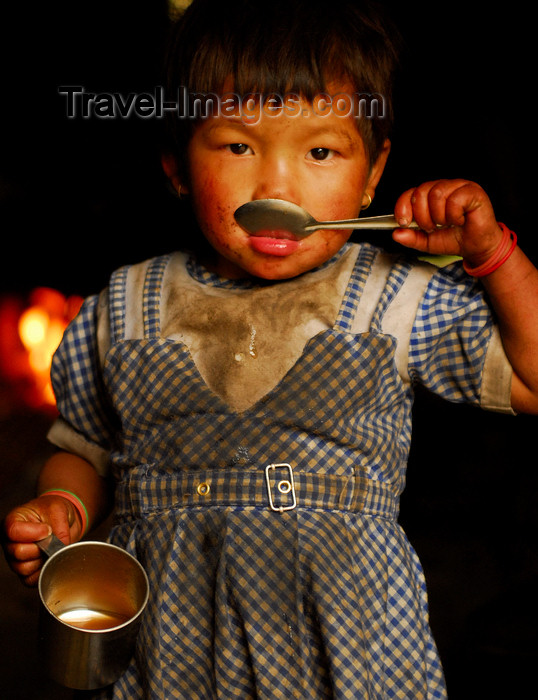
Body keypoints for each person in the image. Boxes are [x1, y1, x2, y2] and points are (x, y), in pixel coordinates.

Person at [3, 0, 538, 697]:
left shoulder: (394, 301)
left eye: (320, 151)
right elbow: (85, 449)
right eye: (237, 146)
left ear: (372, 173)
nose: (278, 185)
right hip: (169, 660)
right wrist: (61, 507)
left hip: (344, 656)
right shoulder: (125, 308)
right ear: (176, 165)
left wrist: (494, 255)